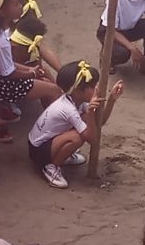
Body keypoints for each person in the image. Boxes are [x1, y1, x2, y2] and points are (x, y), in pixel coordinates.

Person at [27, 60, 121, 189]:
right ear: (78, 91)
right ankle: (51, 167)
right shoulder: (68, 109)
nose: (97, 90)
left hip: (47, 142)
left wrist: (112, 99)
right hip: (38, 150)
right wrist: (90, 113)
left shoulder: (78, 102)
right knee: (78, 137)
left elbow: (100, 122)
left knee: (83, 127)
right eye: (92, 87)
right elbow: (92, 139)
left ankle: (64, 154)